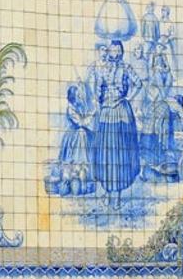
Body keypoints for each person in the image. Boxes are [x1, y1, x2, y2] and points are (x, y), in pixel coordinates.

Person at [92, 41, 140, 209]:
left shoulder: (126, 67)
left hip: (121, 111)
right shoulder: (102, 68)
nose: (114, 54)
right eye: (112, 51)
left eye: (117, 51)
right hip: (106, 112)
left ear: (121, 52)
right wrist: (98, 101)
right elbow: (98, 90)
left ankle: (117, 196)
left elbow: (138, 84)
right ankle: (107, 191)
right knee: (106, 153)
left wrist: (128, 99)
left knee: (119, 154)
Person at [55, 85, 95, 195]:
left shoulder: (78, 106)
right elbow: (80, 123)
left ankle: (82, 182)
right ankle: (73, 182)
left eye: (80, 95)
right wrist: (91, 115)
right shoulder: (71, 108)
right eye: (77, 95)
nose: (79, 97)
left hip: (80, 134)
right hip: (75, 135)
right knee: (75, 159)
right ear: (73, 97)